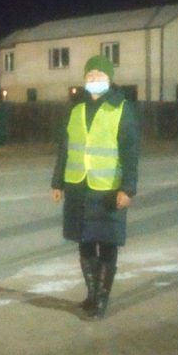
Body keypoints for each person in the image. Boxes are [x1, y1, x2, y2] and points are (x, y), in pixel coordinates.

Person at [51, 55, 139, 319]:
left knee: (108, 244)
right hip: (78, 187)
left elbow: (130, 152)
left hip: (108, 188)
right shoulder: (76, 108)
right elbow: (65, 148)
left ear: (110, 79)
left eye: (100, 75)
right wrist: (57, 182)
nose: (94, 79)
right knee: (84, 242)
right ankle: (90, 296)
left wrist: (128, 189)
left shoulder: (121, 108)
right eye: (90, 75)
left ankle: (101, 300)